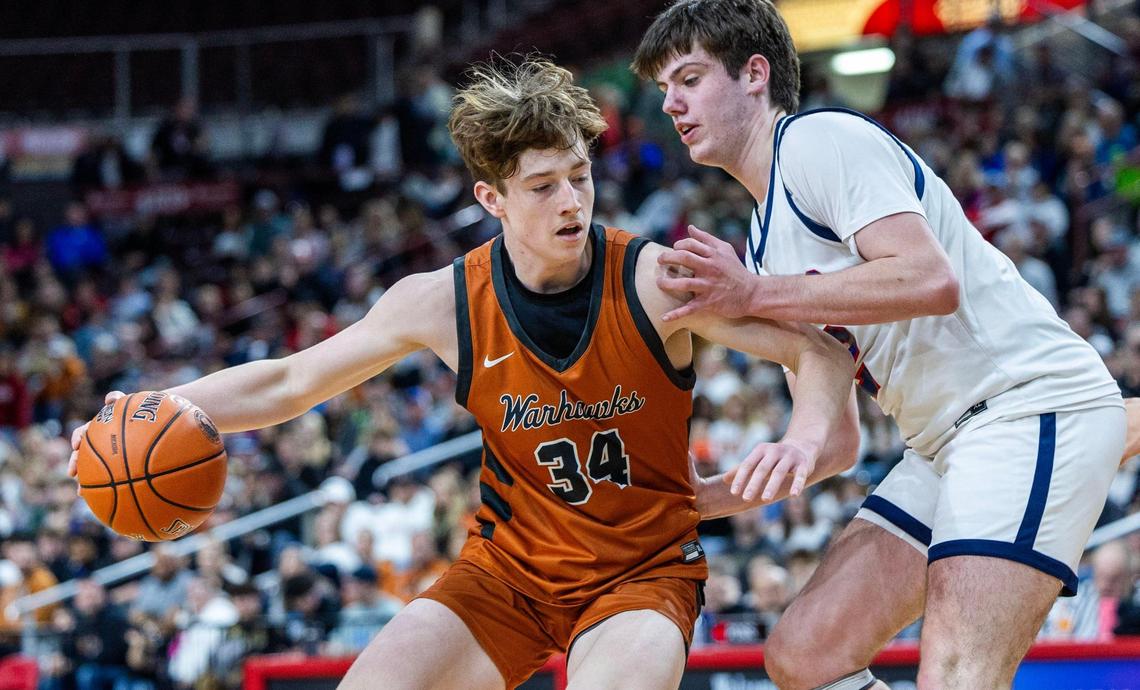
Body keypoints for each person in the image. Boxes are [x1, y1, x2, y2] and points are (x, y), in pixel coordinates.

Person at [70, 57, 857, 689]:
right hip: (506, 573)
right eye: (543, 186)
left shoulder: (652, 282)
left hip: (639, 574)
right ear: (492, 198)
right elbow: (286, 383)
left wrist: (801, 437)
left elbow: (814, 350)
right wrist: (157, 403)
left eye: (579, 176)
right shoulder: (441, 302)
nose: (570, 200)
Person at [632, 2, 1132, 688]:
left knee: (957, 673)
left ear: (755, 74)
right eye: (664, 90)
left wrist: (754, 296)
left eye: (688, 79)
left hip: (1023, 407)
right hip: (943, 444)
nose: (672, 103)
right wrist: (710, 497)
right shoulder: (759, 239)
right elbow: (836, 442)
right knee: (805, 657)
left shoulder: (816, 141)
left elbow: (931, 279)